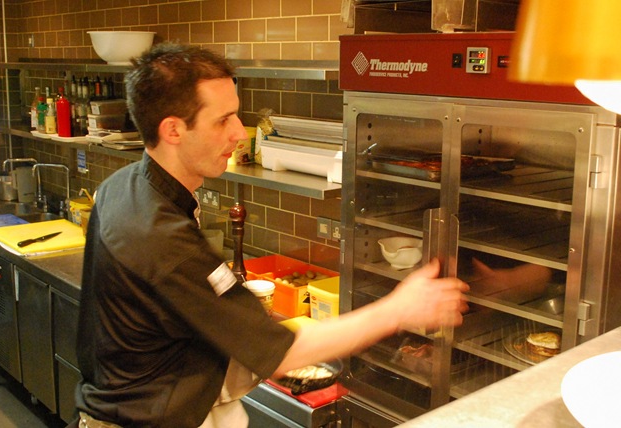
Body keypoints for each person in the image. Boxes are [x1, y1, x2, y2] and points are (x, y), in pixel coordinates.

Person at [74, 42, 470, 428]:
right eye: (223, 120)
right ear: (173, 130)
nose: (239, 133)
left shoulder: (124, 185)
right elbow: (282, 354)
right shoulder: (161, 238)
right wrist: (400, 309)